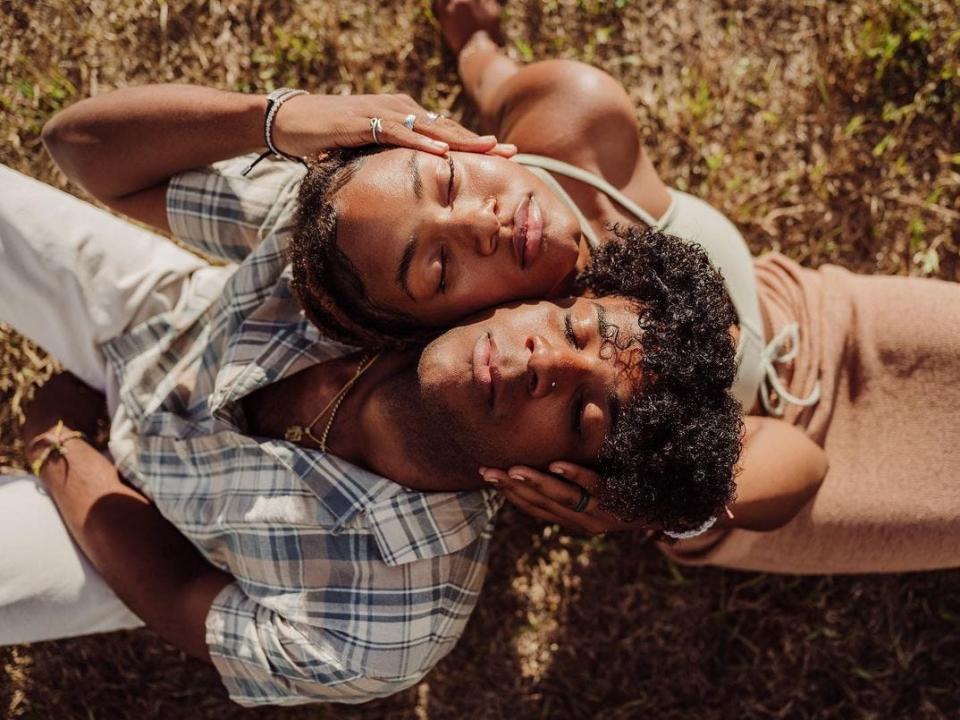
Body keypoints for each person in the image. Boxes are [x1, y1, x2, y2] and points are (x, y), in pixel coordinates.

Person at [0, 93, 742, 706]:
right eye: (574, 326)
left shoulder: (394, 622)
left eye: (585, 414)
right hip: (155, 320)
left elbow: (184, 598)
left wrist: (58, 444)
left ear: (566, 480)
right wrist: (279, 118)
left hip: (137, 527)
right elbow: (77, 145)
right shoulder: (373, 252)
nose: (545, 360)